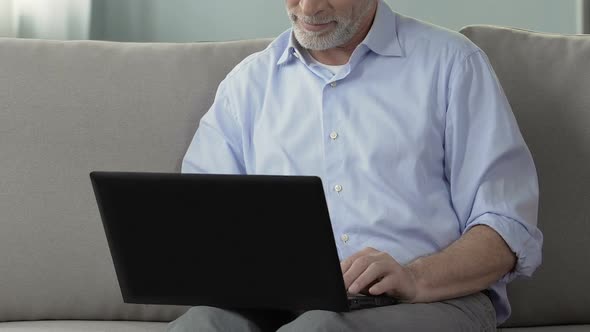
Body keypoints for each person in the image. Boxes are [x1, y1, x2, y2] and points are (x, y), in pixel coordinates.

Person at [168, 0, 543, 330]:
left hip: (433, 301)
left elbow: (507, 228)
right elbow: (198, 224)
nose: (309, 8)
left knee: (320, 328)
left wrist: (414, 277)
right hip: (279, 306)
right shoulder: (246, 85)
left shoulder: (453, 65)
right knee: (201, 325)